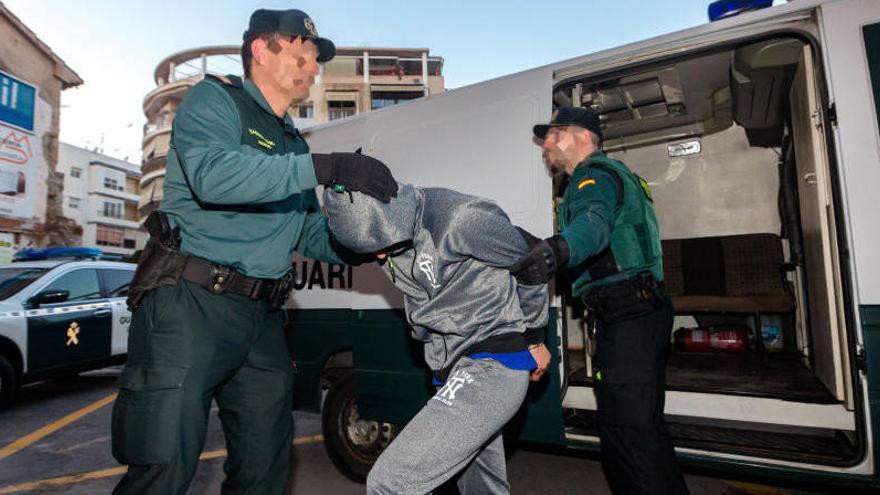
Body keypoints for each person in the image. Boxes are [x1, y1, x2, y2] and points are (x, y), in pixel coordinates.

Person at [111, 8, 397, 494]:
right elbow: (213, 176)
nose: (313, 66)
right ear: (260, 50)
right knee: (162, 466)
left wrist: (368, 248)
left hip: (263, 316)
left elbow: (306, 233)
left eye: (315, 59)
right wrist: (325, 168)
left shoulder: (292, 142)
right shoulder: (214, 100)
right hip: (191, 303)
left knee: (265, 466)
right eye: (303, 53)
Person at [322, 182, 552, 495]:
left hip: (491, 361)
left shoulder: (460, 219)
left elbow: (533, 258)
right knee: (482, 488)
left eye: (380, 243)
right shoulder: (387, 238)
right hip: (451, 369)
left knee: (390, 483)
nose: (377, 253)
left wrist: (534, 337)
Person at [511, 107, 688, 494]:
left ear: (581, 137)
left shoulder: (593, 177)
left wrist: (554, 251)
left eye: (555, 134)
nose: (547, 144)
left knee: (627, 436)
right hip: (641, 310)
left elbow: (593, 224)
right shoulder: (618, 174)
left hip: (627, 312)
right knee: (645, 430)